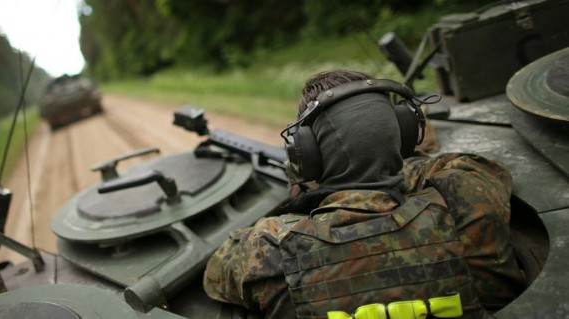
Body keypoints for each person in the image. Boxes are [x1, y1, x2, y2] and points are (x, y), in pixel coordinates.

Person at [202, 70, 525, 318]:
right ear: (401, 134)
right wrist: (388, 165)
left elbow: (215, 275)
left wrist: (311, 193)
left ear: (309, 155)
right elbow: (466, 166)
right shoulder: (467, 197)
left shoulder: (269, 249)